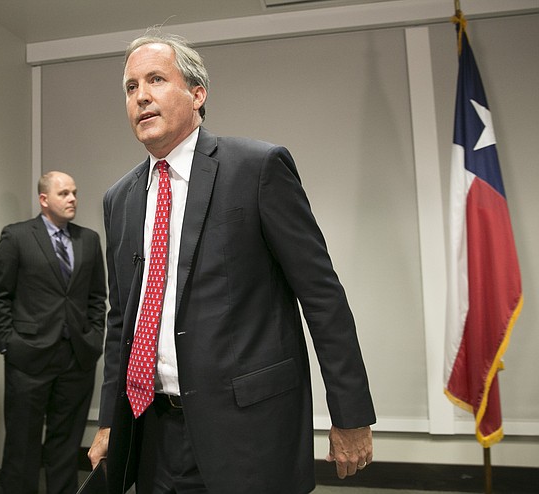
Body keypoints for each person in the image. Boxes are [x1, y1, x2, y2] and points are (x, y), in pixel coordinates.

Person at [87, 31, 376, 493]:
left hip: (249, 432)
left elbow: (321, 296)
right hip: (153, 434)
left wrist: (351, 415)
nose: (141, 96)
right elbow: (121, 320)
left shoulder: (257, 168)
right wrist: (109, 422)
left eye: (156, 79)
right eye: (130, 87)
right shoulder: (118, 198)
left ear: (197, 93)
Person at [0, 171, 106, 494]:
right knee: (21, 449)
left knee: (66, 449)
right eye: (64, 193)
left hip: (77, 359)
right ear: (44, 199)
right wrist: (8, 344)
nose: (72, 199)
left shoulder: (89, 239)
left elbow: (97, 297)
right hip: (28, 359)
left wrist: (94, 338)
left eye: (75, 193)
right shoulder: (17, 237)